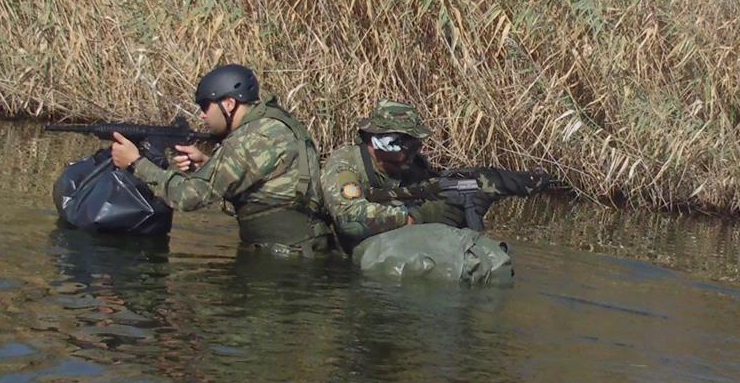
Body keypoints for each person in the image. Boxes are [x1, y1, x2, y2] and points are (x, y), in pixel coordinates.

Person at [107, 64, 334, 255]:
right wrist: (208, 163)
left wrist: (136, 163)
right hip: (302, 247)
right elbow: (265, 183)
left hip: (281, 257)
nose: (203, 115)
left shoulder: (249, 139)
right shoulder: (275, 124)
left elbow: (188, 197)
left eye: (206, 105)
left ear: (228, 104)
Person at [318, 100, 550, 253]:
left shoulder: (412, 166)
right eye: (408, 147)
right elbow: (349, 219)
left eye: (416, 146)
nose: (414, 154)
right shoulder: (345, 166)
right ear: (384, 144)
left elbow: (432, 189)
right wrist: (416, 217)